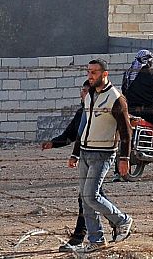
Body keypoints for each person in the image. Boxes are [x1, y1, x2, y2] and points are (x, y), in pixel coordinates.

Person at [73, 59, 133, 253]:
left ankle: (122, 220)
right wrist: (75, 153)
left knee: (91, 195)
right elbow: (85, 125)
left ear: (105, 74)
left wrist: (124, 159)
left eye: (94, 73)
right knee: (85, 198)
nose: (90, 76)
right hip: (85, 152)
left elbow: (126, 132)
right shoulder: (90, 94)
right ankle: (96, 239)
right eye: (89, 72)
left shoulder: (116, 98)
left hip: (103, 153)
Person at [41, 79, 91, 253]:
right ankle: (116, 224)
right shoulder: (81, 113)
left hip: (99, 158)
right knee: (92, 198)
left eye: (85, 90)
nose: (82, 93)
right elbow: (70, 135)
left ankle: (80, 237)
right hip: (85, 160)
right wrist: (53, 143)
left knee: (87, 198)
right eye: (82, 90)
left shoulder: (100, 113)